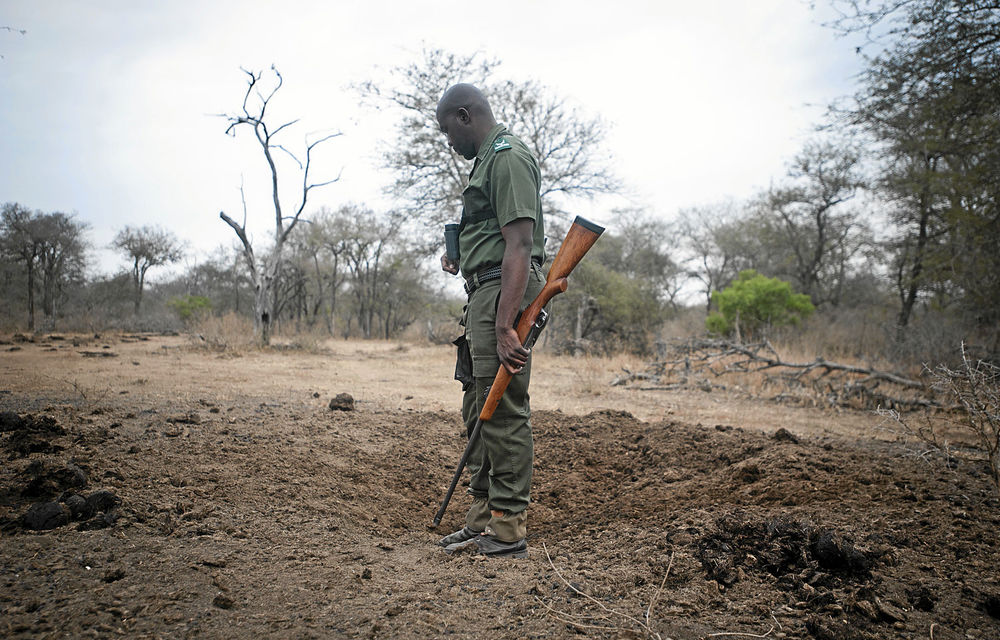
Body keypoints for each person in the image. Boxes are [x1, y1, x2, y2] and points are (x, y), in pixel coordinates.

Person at [435, 83, 546, 559]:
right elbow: (493, 235)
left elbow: (520, 244)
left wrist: (505, 326)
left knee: (501, 408)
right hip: (484, 290)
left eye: (446, 132)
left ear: (465, 116)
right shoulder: (486, 161)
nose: (447, 142)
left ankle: (507, 526)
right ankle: (483, 515)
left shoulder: (507, 156)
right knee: (476, 403)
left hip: (503, 293)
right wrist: (461, 255)